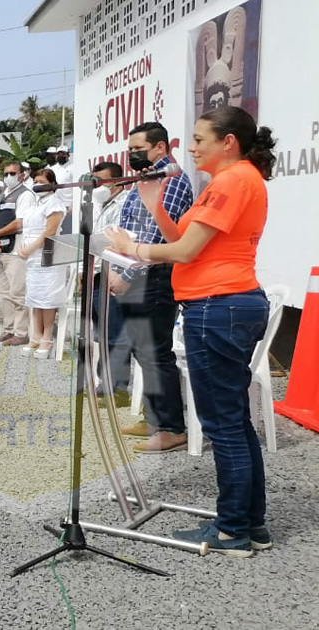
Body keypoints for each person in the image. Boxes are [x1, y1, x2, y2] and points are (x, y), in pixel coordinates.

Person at [108, 105, 276, 556]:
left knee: (223, 425)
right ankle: (249, 525)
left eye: (201, 139)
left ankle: (232, 531)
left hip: (217, 305)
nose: (192, 147)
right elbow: (181, 234)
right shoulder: (229, 181)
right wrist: (153, 207)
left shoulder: (232, 181)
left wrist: (130, 246)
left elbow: (183, 251)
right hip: (220, 303)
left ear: (229, 142)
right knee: (233, 422)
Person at [111, 121, 193, 453]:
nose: (132, 154)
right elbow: (131, 226)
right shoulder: (143, 179)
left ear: (160, 147)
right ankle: (154, 418)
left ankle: (172, 427)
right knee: (143, 351)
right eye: (129, 149)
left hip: (154, 277)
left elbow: (158, 235)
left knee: (156, 353)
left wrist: (125, 275)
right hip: (135, 271)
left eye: (138, 148)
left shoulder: (168, 179)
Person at [88, 161, 134, 404]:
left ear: (116, 182)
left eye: (101, 181)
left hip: (113, 275)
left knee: (116, 334)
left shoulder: (123, 204)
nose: (97, 186)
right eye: (94, 181)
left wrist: (115, 273)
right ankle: (103, 384)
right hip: (97, 273)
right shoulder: (100, 205)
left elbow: (120, 243)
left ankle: (118, 389)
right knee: (102, 335)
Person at [15, 169, 69, 358]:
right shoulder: (35, 204)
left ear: (52, 184)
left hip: (48, 254)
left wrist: (30, 248)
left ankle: (47, 337)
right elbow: (27, 228)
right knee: (35, 297)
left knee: (47, 298)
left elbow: (50, 231)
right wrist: (23, 247)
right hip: (31, 257)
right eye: (35, 181)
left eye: (41, 181)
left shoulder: (55, 203)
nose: (37, 184)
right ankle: (36, 335)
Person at [0, 162, 38, 346]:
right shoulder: (2, 195)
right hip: (0, 250)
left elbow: (20, 223)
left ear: (22, 175)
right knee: (5, 294)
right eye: (6, 173)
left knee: (18, 294)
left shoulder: (26, 195)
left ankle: (22, 332)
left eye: (12, 173)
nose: (9, 176)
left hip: (16, 251)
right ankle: (9, 330)